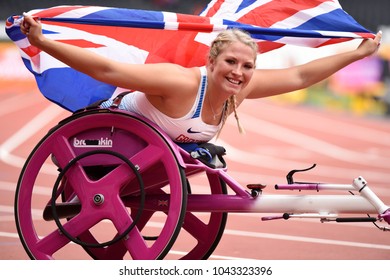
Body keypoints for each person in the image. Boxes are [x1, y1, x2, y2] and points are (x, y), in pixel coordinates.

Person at [21, 14, 382, 144]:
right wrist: (42, 42)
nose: (238, 73)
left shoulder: (242, 88)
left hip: (157, 157)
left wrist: (356, 53)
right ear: (211, 61)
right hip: (104, 144)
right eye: (230, 62)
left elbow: (301, 74)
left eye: (247, 66)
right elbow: (108, 71)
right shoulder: (181, 82)